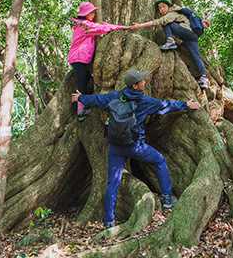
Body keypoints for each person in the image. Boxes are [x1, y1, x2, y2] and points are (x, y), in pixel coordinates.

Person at [71, 69, 200, 229]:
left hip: (115, 147)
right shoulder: (145, 101)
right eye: (142, 81)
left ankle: (109, 221)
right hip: (136, 147)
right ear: (136, 86)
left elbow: (97, 99)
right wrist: (186, 104)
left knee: (113, 182)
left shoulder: (115, 96)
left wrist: (81, 98)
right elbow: (166, 105)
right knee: (159, 160)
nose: (145, 82)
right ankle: (167, 199)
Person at [129, 0, 209, 89]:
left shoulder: (172, 13)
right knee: (196, 56)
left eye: (163, 6)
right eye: (159, 8)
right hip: (192, 37)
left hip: (187, 33)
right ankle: (204, 78)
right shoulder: (178, 13)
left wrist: (140, 25)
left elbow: (159, 21)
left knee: (166, 23)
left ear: (169, 6)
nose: (161, 9)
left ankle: (170, 42)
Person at [68, 1, 127, 121]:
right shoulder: (85, 25)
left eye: (94, 12)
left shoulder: (84, 24)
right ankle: (80, 111)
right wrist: (123, 27)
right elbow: (103, 28)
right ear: (85, 14)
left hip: (82, 59)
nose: (94, 14)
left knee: (87, 81)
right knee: (81, 84)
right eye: (91, 12)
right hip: (79, 58)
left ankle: (83, 106)